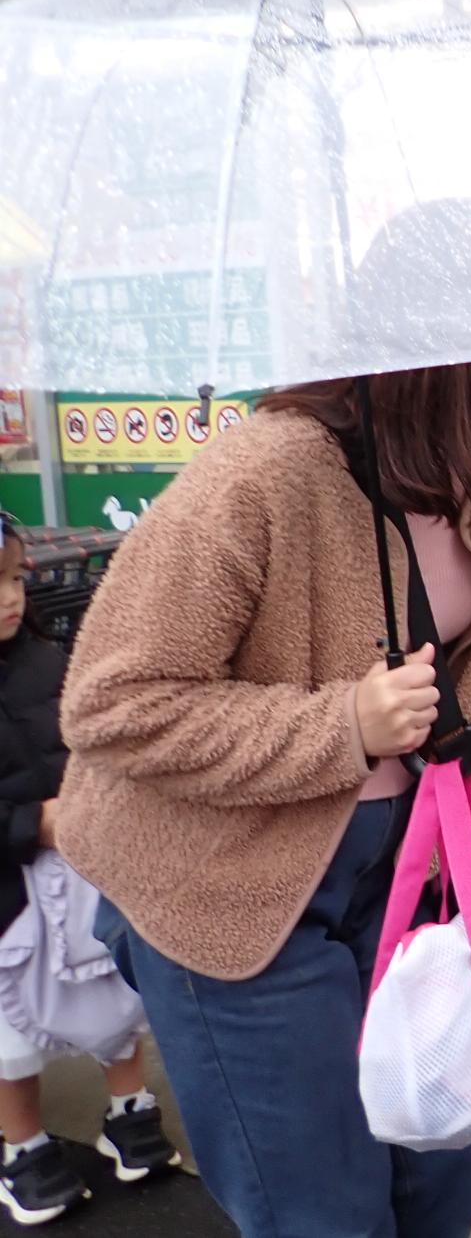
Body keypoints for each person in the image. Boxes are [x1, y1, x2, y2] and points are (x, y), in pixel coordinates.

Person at [56, 201, 471, 1238]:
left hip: (416, 863)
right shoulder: (262, 477)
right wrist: (342, 724)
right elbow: (113, 707)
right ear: (458, 357)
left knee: (439, 1164)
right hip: (230, 889)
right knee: (318, 1204)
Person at [0, 519, 179, 1224]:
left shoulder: (49, 659)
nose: (9, 598)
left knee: (114, 990)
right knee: (10, 1032)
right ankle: (24, 1145)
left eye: (13, 577)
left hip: (82, 869)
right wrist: (28, 825)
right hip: (9, 896)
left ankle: (128, 1109)